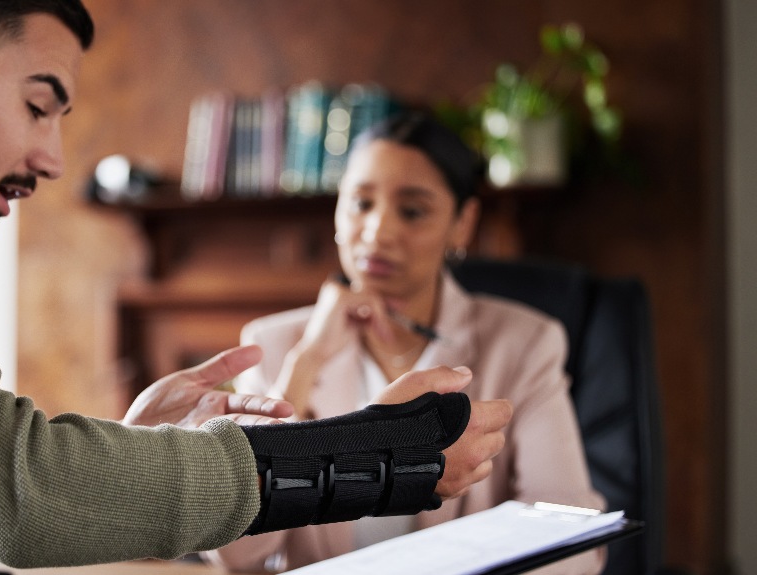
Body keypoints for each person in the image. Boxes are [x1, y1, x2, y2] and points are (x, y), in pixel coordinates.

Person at [0, 2, 513, 574]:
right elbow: (10, 488)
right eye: (38, 106)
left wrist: (136, 446)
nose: (54, 158)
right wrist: (380, 449)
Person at [205, 111, 604, 573]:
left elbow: (571, 537)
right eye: (360, 203)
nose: (378, 232)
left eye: (412, 211)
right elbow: (237, 556)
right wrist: (307, 362)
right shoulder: (274, 345)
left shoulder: (526, 344)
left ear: (462, 223)